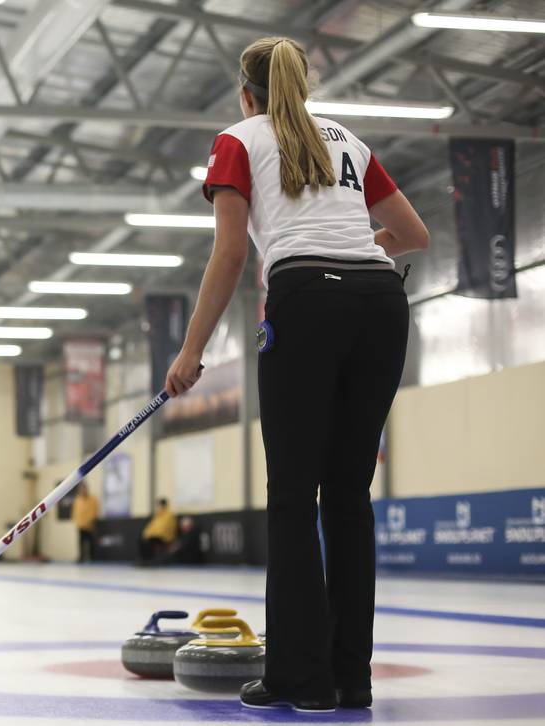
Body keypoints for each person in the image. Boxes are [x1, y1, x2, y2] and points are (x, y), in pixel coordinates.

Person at [164, 37, 429, 713]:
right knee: (347, 497)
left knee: (292, 499)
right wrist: (358, 252)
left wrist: (190, 351)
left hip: (305, 302)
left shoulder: (238, 138)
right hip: (379, 304)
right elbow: (412, 233)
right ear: (302, 88)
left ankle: (300, 681)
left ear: (245, 93)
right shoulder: (348, 140)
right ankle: (351, 679)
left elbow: (228, 254)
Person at [139, 498, 177, 564]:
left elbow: (165, 528)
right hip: (155, 536)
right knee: (142, 540)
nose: (158, 507)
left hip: (165, 537)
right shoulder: (158, 515)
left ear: (163, 505)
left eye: (159, 505)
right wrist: (146, 534)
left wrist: (152, 534)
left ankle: (149, 561)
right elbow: (150, 527)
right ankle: (145, 560)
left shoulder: (169, 515)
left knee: (149, 541)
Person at [71, 483, 100, 563]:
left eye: (84, 489)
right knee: (81, 543)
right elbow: (75, 511)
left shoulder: (93, 499)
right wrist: (76, 520)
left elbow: (95, 510)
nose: (83, 491)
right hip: (80, 525)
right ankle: (81, 558)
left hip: (90, 525)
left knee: (91, 542)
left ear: (87, 489)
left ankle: (92, 558)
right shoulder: (77, 500)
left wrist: (92, 520)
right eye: (81, 490)